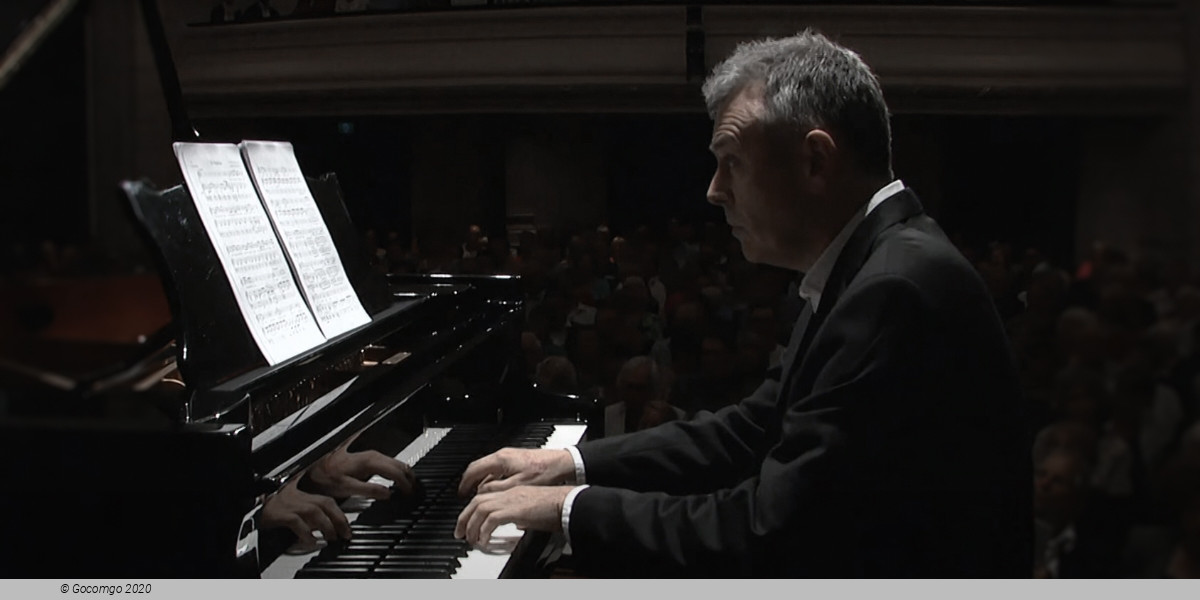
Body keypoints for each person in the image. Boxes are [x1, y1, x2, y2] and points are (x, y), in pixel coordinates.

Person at [453, 30, 1031, 577]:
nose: (713, 189)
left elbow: (769, 528)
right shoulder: (874, 263)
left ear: (814, 161)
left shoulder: (892, 289)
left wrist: (567, 509)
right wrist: (570, 464)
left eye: (732, 160)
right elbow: (752, 429)